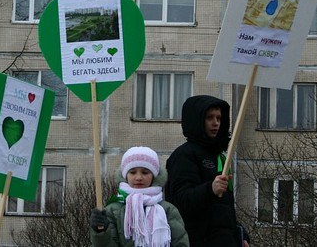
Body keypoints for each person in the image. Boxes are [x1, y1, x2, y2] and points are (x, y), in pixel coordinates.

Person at [165, 95, 250, 247]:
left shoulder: (220, 156)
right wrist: (210, 189)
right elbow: (179, 202)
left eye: (218, 118)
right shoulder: (184, 155)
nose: (215, 123)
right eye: (209, 117)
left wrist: (240, 235)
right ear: (196, 120)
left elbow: (222, 209)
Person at [90, 146, 189, 247]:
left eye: (145, 172)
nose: (139, 177)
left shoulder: (168, 210)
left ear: (154, 176)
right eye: (132, 172)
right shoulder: (113, 210)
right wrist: (100, 232)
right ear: (125, 175)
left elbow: (180, 243)